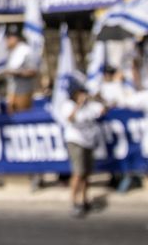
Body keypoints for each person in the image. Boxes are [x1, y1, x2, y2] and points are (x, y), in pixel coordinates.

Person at [60, 79, 105, 218]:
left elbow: (102, 110)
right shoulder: (68, 105)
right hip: (76, 141)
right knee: (78, 173)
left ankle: (84, 200)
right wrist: (78, 105)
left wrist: (98, 98)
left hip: (88, 142)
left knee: (86, 174)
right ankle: (74, 202)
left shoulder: (89, 105)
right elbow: (69, 118)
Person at [4, 28, 39, 112]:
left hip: (23, 92)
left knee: (22, 116)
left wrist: (17, 73)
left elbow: (33, 71)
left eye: (9, 38)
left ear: (15, 38)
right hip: (12, 92)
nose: (6, 41)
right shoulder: (11, 53)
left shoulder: (26, 51)